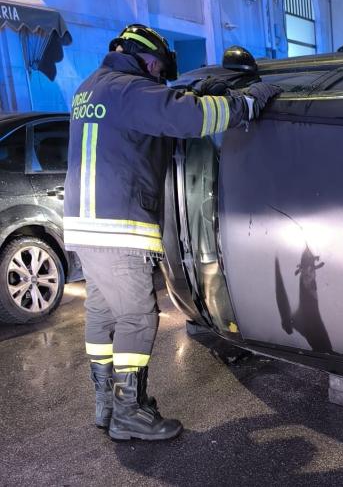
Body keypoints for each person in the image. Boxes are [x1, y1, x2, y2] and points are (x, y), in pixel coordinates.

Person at [65, 24, 282, 441]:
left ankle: (106, 403)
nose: (159, 76)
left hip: (84, 226)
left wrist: (200, 93)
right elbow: (194, 118)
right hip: (119, 226)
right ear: (146, 59)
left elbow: (149, 124)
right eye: (158, 68)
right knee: (137, 316)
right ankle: (129, 412)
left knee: (103, 313)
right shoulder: (131, 90)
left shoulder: (90, 88)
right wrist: (245, 103)